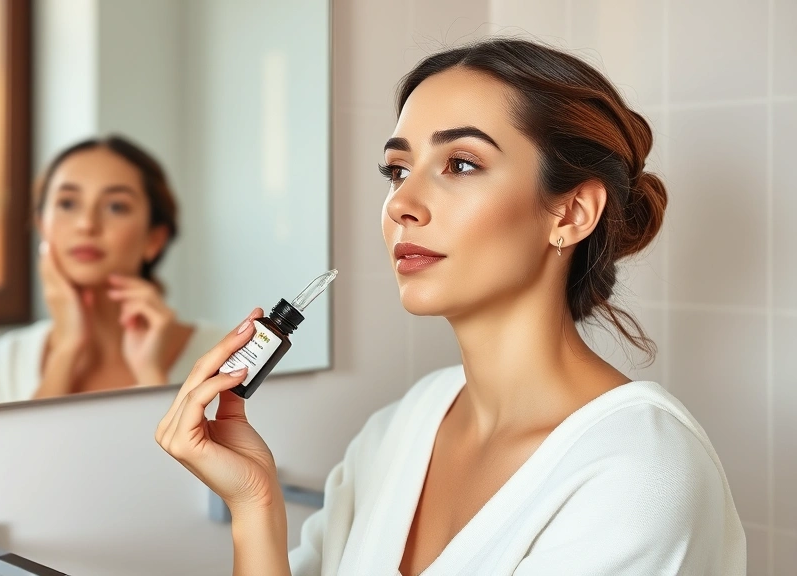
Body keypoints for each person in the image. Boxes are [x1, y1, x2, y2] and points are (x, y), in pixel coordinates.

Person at [156, 38, 746, 575]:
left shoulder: (638, 474)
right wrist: (254, 506)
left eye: (460, 164)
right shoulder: (403, 425)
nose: (401, 204)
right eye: (397, 169)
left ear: (570, 213)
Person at [0, 135, 224, 406]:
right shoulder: (2, 364)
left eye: (116, 206)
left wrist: (150, 374)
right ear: (42, 226)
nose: (86, 224)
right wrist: (66, 352)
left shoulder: (225, 357)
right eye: (68, 203)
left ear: (154, 239)